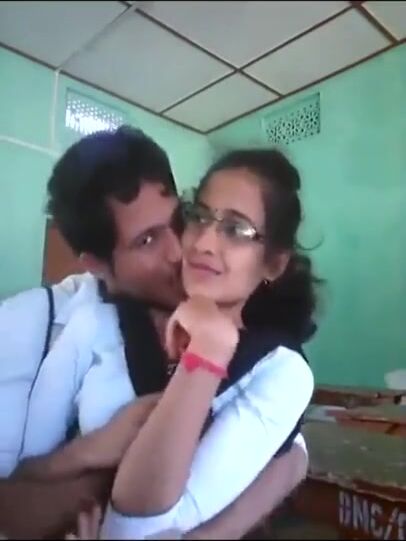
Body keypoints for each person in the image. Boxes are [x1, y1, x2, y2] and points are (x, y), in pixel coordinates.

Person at [0, 128, 313, 538]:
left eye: (180, 219)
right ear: (98, 265)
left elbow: (288, 444)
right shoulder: (63, 322)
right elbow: (15, 489)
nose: (185, 249)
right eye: (146, 240)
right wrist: (94, 449)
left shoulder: (266, 350)